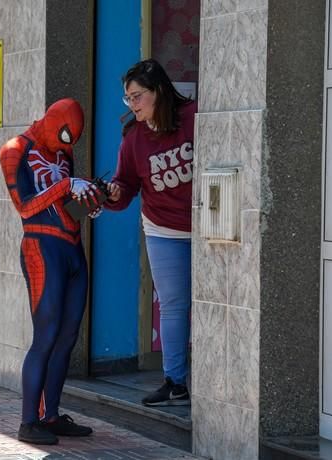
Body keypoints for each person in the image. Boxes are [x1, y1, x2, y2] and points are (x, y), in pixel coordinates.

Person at [0, 98, 101, 445]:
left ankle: (52, 415)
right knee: (46, 336)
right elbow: (25, 207)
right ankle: (28, 422)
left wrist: (89, 201)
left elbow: (62, 201)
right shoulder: (14, 150)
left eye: (69, 143)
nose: (64, 150)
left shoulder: (63, 151)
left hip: (72, 247)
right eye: (61, 140)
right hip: (41, 248)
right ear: (49, 122)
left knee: (69, 335)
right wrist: (65, 186)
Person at [105, 59, 196, 406]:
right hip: (163, 229)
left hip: (207, 228)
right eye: (127, 99)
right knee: (173, 306)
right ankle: (175, 382)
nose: (132, 105)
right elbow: (125, 184)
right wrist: (113, 194)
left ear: (158, 91)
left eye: (137, 96)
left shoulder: (193, 117)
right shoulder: (133, 138)